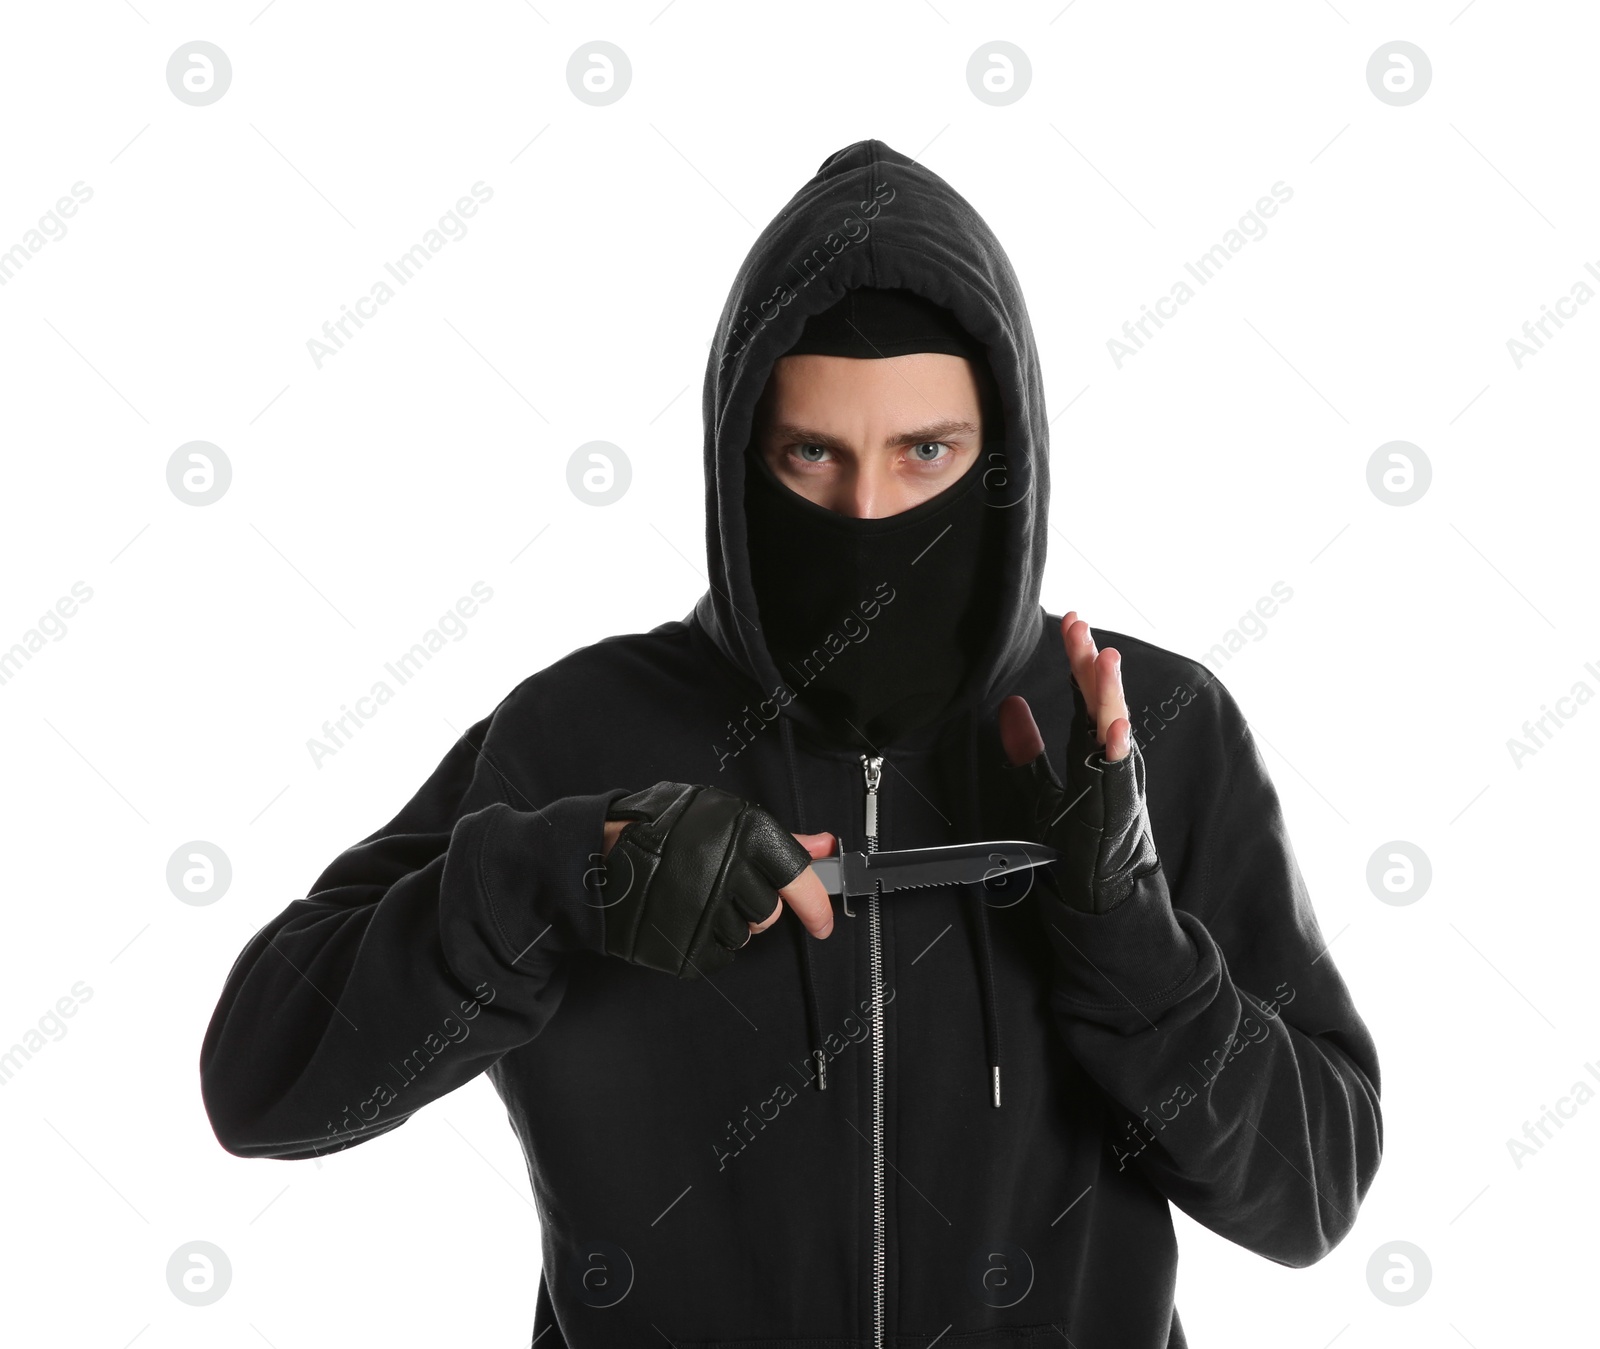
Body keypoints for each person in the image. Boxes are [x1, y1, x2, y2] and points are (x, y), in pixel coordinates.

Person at [199, 139, 1382, 1348]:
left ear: (1006, 457)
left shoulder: (1142, 731)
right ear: (738, 456)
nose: (866, 513)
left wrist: (1126, 936)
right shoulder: (578, 732)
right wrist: (560, 875)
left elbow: (1313, 1193)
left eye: (926, 451)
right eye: (811, 453)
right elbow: (263, 1085)